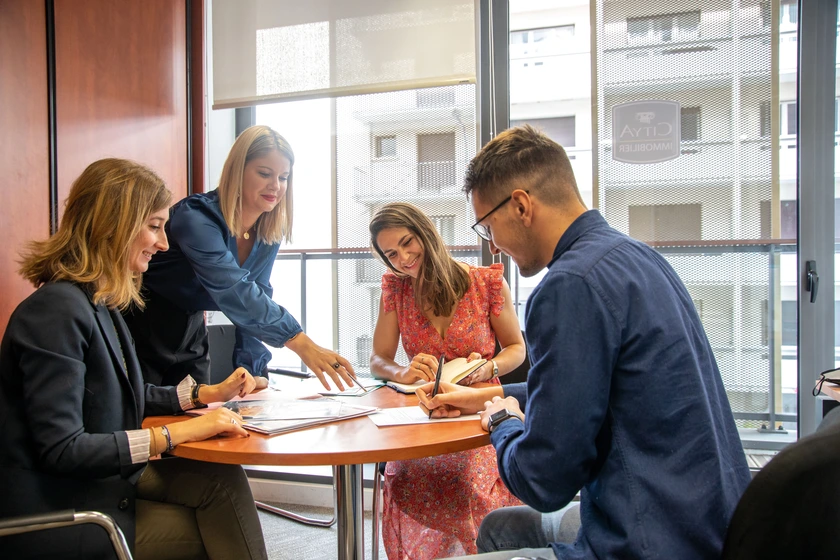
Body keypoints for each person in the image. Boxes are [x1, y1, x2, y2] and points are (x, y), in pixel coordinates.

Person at [419, 125, 752, 560]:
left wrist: (503, 424)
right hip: (709, 522)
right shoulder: (635, 257)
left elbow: (543, 482)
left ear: (520, 205)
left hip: (647, 542)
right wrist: (481, 396)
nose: (494, 247)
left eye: (487, 227)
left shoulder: (568, 286)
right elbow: (587, 387)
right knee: (500, 527)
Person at [0, 159, 268, 560]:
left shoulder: (98, 303)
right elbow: (63, 450)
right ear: (114, 225)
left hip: (99, 483)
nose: (163, 245)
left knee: (222, 481)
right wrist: (176, 435)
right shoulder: (55, 311)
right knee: (208, 534)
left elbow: (119, 392)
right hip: (60, 509)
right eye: (155, 227)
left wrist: (204, 394)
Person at [124, 125, 355, 391]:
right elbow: (235, 290)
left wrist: (251, 369)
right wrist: (299, 341)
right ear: (238, 171)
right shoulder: (195, 218)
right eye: (265, 173)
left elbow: (257, 298)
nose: (275, 186)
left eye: (283, 177)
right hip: (142, 326)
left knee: (199, 417)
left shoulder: (268, 233)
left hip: (191, 335)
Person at [369, 202, 527, 559]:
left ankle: (484, 551)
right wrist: (401, 372)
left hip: (479, 412)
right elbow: (377, 359)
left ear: (427, 233)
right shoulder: (397, 290)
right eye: (391, 253)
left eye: (408, 242)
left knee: (470, 480)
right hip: (426, 413)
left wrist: (489, 369)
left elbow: (516, 349)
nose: (404, 258)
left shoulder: (485, 283)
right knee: (406, 478)